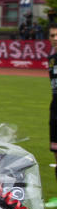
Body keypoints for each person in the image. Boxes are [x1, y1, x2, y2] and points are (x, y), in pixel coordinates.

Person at [48, 22, 57, 178]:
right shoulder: (51, 59)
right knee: (55, 149)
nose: (55, 38)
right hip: (55, 108)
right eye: (52, 35)